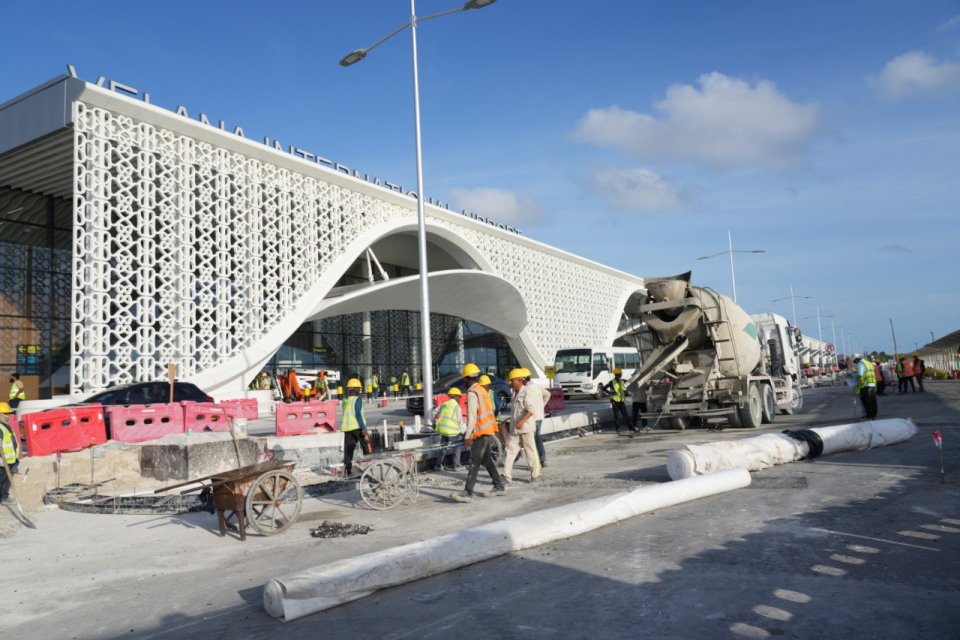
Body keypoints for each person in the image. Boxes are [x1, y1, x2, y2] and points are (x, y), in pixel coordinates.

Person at [450, 363, 506, 503]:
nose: (463, 381)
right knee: (486, 460)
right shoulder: (482, 390)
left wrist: (468, 436)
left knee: (474, 461)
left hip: (480, 432)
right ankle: (498, 486)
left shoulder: (472, 392)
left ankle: (468, 492)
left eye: (464, 378)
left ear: (467, 378)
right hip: (488, 429)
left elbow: (472, 417)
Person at [502, 368, 542, 484]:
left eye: (512, 380)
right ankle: (506, 476)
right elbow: (516, 412)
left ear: (519, 380)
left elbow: (530, 410)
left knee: (530, 452)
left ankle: (536, 475)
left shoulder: (526, 392)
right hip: (515, 429)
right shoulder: (514, 393)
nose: (510, 383)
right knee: (510, 450)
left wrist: (521, 422)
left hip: (525, 428)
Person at [340, 378, 369, 476]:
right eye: (359, 389)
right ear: (355, 389)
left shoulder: (345, 400)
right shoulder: (358, 399)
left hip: (347, 428)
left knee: (348, 451)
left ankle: (348, 471)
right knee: (367, 446)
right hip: (357, 427)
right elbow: (357, 414)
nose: (360, 391)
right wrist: (363, 428)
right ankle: (371, 467)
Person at [432, 387, 463, 470]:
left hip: (443, 431)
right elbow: (460, 422)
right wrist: (463, 431)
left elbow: (434, 412)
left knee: (443, 448)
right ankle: (456, 465)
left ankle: (438, 465)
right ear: (456, 396)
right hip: (453, 432)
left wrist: (434, 422)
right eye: (459, 397)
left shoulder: (444, 404)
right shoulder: (457, 407)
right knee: (457, 446)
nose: (460, 399)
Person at [601, 368, 632, 434]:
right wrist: (610, 393)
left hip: (621, 401)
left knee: (625, 415)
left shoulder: (622, 381)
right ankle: (618, 429)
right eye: (620, 373)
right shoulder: (612, 382)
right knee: (616, 416)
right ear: (617, 374)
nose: (621, 374)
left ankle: (630, 428)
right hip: (615, 401)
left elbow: (630, 381)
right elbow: (603, 388)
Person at [0, 402, 20, 504]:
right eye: (5, 414)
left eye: (9, 414)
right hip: (2, 461)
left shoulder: (7, 427)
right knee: (1, 480)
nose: (8, 416)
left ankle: (4, 497)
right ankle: (2, 498)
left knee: (6, 481)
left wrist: (16, 459)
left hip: (10, 459)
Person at [852, 354, 878, 419]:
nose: (855, 362)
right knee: (872, 400)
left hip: (865, 384)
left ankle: (869, 415)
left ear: (857, 359)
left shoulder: (861, 363)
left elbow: (860, 373)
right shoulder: (868, 363)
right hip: (872, 383)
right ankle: (874, 414)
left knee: (866, 401)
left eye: (855, 361)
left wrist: (853, 375)